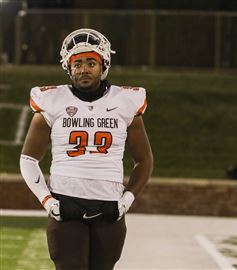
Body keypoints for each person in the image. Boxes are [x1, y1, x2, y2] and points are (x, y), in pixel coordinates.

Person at [20, 28, 153, 270]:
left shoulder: (125, 102)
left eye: (91, 62)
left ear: (103, 66)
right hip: (66, 203)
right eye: (77, 63)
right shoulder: (53, 101)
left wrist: (126, 201)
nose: (83, 69)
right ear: (68, 68)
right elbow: (28, 159)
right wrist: (48, 201)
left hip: (109, 205)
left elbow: (144, 161)